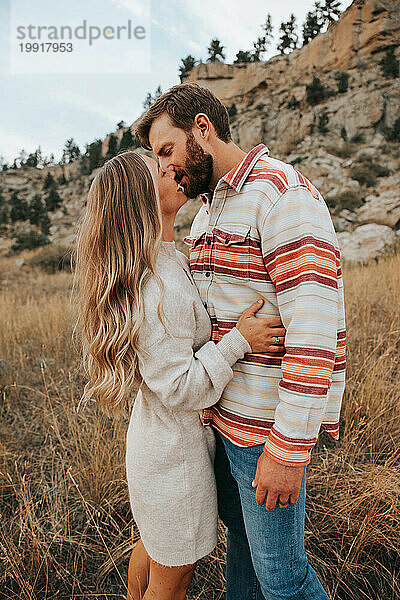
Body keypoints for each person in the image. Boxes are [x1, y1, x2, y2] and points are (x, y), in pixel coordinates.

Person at [135, 82, 346, 600]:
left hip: (264, 434)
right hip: (221, 427)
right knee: (247, 565)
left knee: (283, 583)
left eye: (168, 150)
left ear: (202, 130)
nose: (165, 168)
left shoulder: (280, 193)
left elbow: (315, 329)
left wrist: (287, 450)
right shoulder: (207, 213)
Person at [73, 149, 287, 599]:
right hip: (173, 460)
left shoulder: (166, 259)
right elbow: (179, 386)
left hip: (161, 445)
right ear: (141, 201)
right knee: (174, 580)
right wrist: (239, 341)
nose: (175, 171)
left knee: (153, 549)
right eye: (161, 170)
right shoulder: (158, 286)